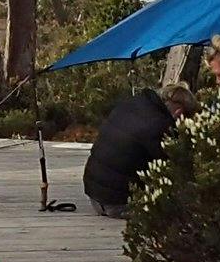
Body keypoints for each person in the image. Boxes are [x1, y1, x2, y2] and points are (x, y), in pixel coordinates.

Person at [83, 82, 196, 216]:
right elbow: (173, 167)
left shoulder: (132, 104)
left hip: (94, 194)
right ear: (179, 113)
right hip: (117, 203)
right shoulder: (159, 126)